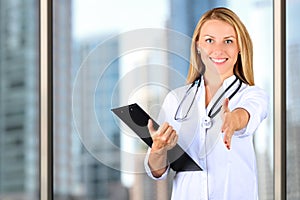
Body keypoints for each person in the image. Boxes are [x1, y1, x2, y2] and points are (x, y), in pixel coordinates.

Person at [144, 7, 269, 200]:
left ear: (240, 47)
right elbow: (158, 171)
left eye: (228, 41)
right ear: (197, 46)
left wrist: (233, 120)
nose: (218, 50)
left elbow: (249, 113)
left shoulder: (252, 94)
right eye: (209, 40)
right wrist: (158, 149)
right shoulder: (176, 100)